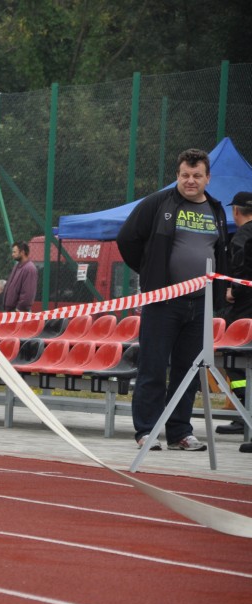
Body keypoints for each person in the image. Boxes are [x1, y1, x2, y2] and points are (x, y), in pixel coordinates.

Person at [116, 148, 228, 453]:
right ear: (177, 176)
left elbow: (220, 251)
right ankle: (146, 432)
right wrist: (152, 272)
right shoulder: (158, 202)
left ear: (207, 177)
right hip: (164, 302)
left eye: (197, 176)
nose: (190, 181)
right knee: (153, 368)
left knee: (188, 370)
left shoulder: (217, 209)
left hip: (200, 304)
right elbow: (126, 238)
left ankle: (180, 431)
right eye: (185, 175)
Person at [214, 191, 252, 451]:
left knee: (234, 359)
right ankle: (244, 413)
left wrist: (232, 290)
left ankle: (244, 410)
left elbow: (241, 268)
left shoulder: (243, 236)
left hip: (244, 308)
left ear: (235, 211)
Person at [0, 241, 37, 312]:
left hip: (18, 313)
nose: (12, 254)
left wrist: (19, 309)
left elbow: (28, 294)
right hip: (10, 312)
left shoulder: (29, 269)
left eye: (14, 252)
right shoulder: (17, 266)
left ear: (22, 252)